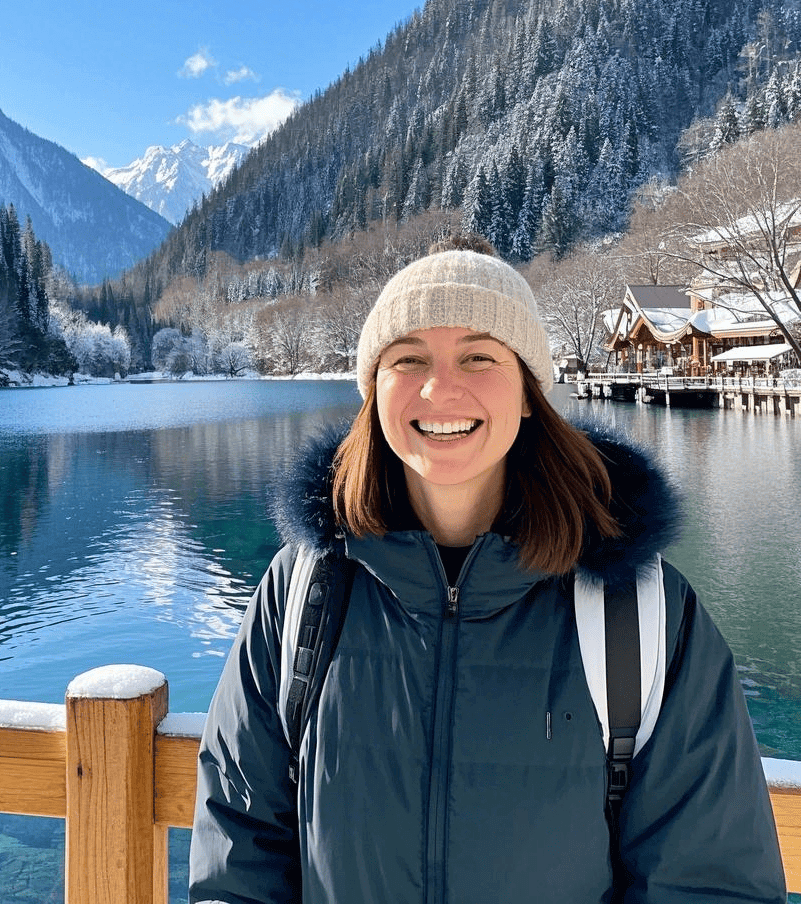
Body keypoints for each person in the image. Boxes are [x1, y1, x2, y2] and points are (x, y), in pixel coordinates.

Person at [189, 236, 786, 903]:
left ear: (530, 392)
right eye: (408, 358)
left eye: (478, 356)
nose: (441, 388)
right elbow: (239, 849)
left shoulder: (637, 613)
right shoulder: (303, 592)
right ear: (373, 392)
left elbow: (710, 881)